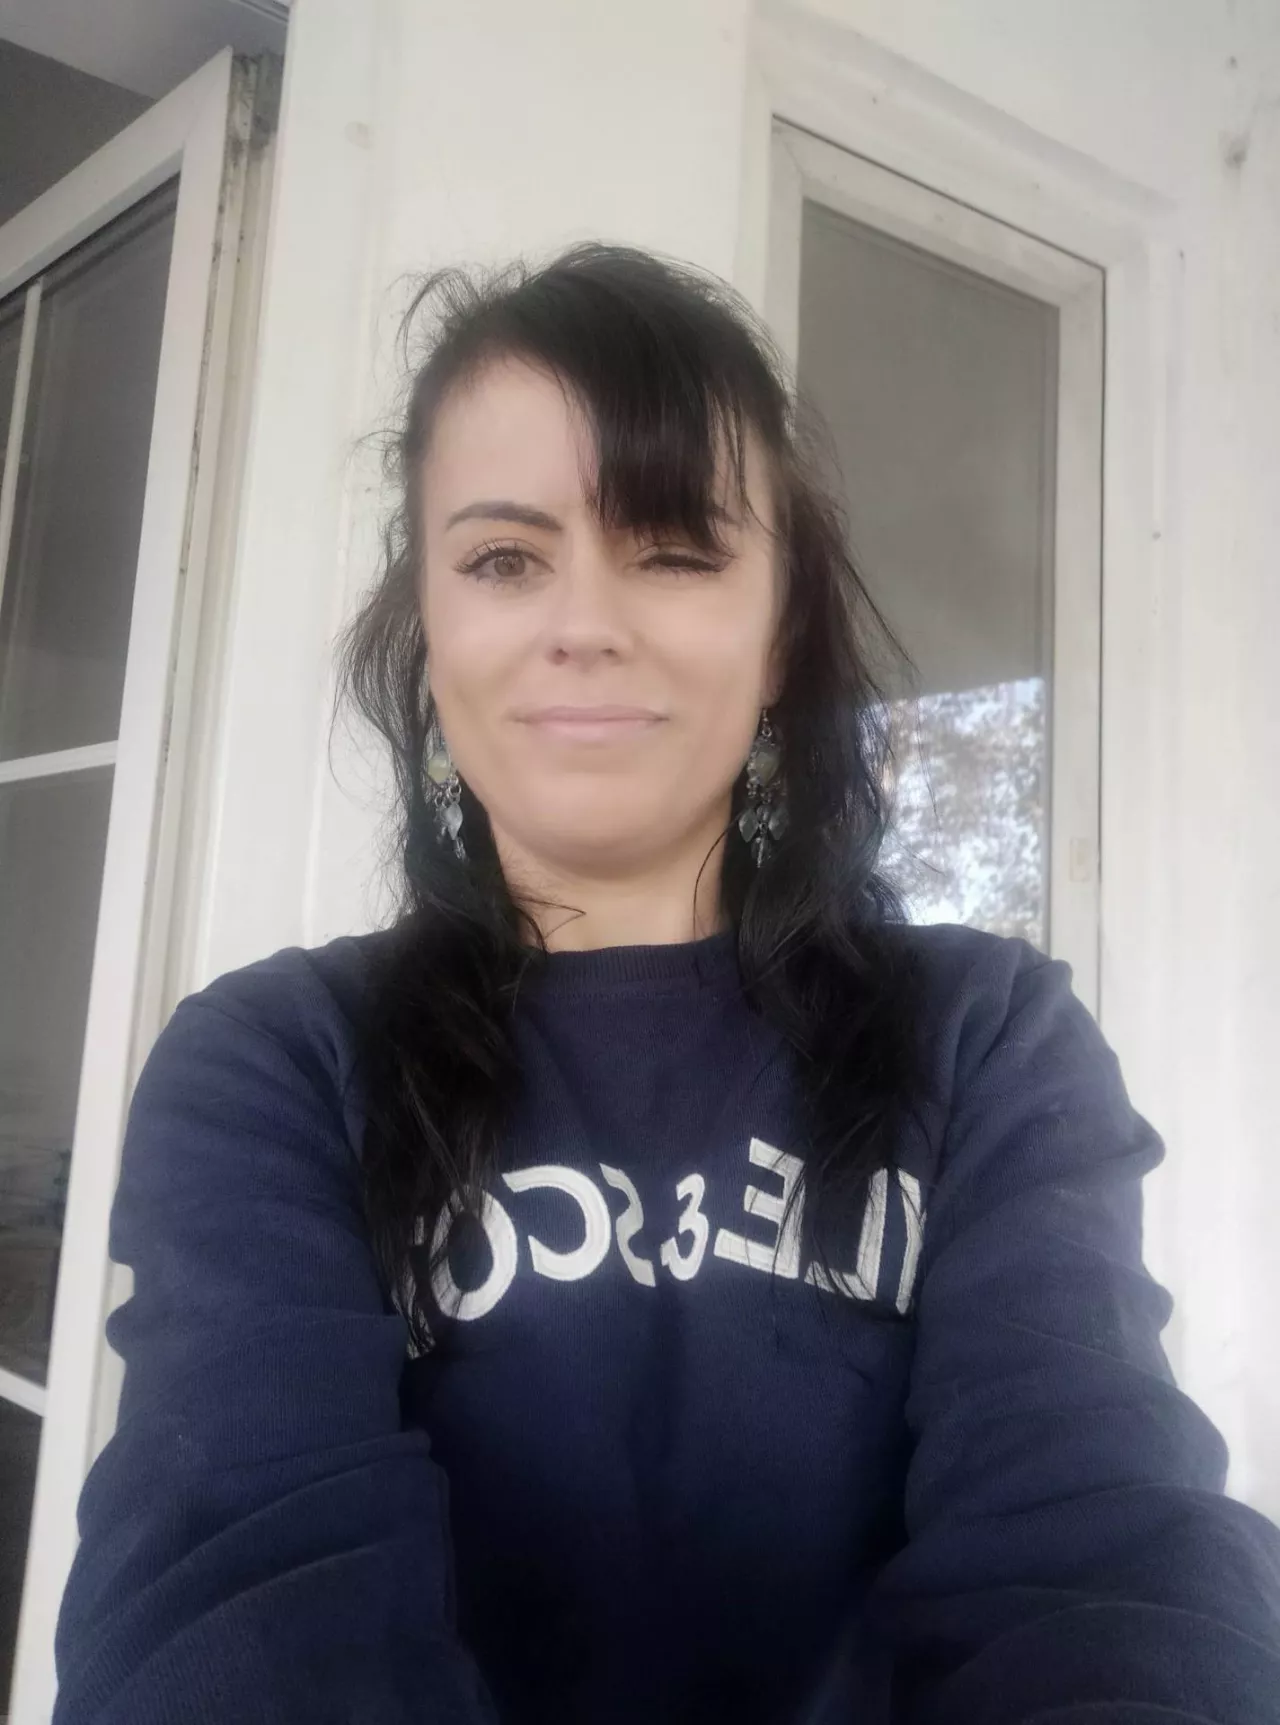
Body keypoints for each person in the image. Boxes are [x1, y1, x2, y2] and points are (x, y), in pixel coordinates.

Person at [52, 243, 1280, 1725]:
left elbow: (1104, 1559)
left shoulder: (989, 1039)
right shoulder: (275, 1059)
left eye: (677, 551)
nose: (585, 622)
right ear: (430, 634)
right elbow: (234, 1596)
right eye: (504, 560)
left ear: (780, 638)